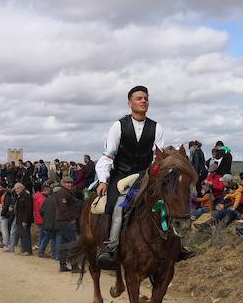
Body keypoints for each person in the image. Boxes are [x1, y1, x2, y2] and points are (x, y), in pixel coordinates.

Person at [94, 86, 165, 268]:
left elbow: (158, 157)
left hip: (144, 176)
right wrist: (103, 180)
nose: (143, 101)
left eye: (146, 98)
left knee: (166, 203)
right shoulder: (118, 126)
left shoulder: (157, 128)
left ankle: (173, 246)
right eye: (139, 98)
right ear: (130, 103)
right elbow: (109, 155)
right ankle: (109, 247)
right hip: (120, 175)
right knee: (113, 205)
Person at [55, 177, 80, 272]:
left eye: (71, 183)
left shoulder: (66, 192)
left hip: (63, 221)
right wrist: (71, 219)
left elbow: (73, 202)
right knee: (72, 243)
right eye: (67, 183)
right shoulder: (63, 193)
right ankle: (74, 266)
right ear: (63, 183)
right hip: (65, 221)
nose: (69, 184)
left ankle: (62, 265)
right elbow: (63, 208)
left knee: (64, 243)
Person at [13, 182, 34, 256]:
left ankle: (28, 250)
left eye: (17, 188)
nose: (16, 190)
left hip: (24, 220)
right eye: (15, 189)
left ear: (22, 188)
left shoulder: (27, 196)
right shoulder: (19, 196)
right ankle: (23, 249)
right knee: (22, 235)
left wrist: (25, 220)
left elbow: (28, 210)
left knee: (26, 235)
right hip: (19, 218)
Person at [39, 182, 58, 258]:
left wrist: (45, 218)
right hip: (54, 222)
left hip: (46, 222)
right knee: (50, 238)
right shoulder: (57, 200)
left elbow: (41, 211)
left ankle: (52, 254)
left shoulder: (47, 199)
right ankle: (43, 252)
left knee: (49, 237)